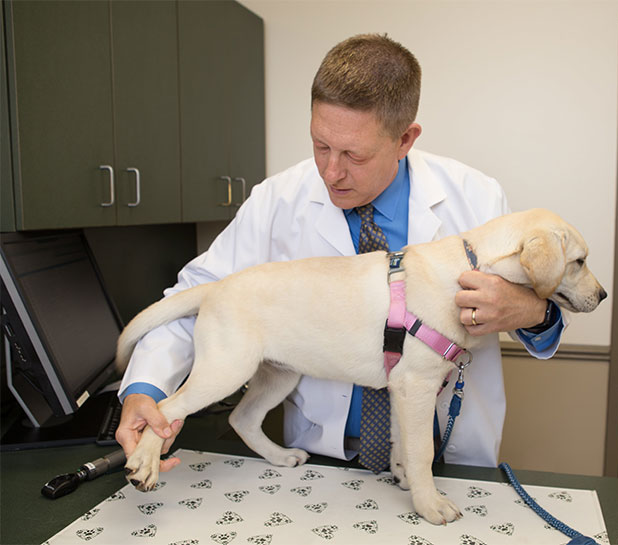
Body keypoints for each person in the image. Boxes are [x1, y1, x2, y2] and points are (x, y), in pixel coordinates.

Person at [116, 33, 565, 473]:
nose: (332, 172)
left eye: (354, 154)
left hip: (447, 451)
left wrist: (529, 310)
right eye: (321, 145)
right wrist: (145, 388)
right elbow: (197, 295)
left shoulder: (477, 199)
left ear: (405, 139)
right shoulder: (278, 200)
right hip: (323, 456)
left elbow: (541, 310)